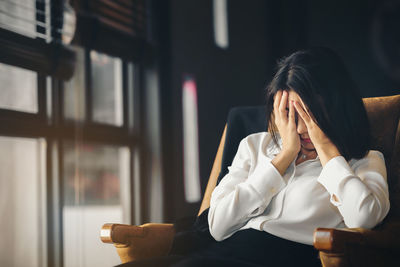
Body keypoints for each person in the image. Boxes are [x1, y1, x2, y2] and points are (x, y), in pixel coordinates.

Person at [118, 47, 390, 267]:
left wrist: (328, 151)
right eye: (290, 115)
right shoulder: (254, 146)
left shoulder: (363, 160)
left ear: (335, 107)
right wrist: (283, 157)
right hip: (223, 252)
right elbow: (217, 225)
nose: (299, 128)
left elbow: (364, 218)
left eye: (309, 115)